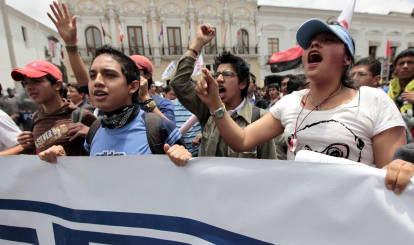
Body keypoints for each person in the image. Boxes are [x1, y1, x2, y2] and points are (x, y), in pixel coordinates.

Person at [168, 19, 413, 195]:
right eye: (311, 43)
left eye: (327, 41)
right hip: (299, 218)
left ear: (347, 58)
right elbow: (241, 140)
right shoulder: (290, 103)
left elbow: (389, 179)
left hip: (353, 220)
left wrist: (401, 169)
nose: (314, 46)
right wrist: (214, 104)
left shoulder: (374, 101)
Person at [38, 45, 187, 162]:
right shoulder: (94, 130)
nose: (97, 82)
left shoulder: (159, 127)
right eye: (92, 76)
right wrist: (62, 162)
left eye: (110, 75)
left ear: (133, 86)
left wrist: (183, 158)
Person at [47, 2, 175, 123]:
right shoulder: (115, 100)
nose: (98, 81)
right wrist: (70, 44)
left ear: (147, 76)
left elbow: (171, 132)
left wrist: (147, 101)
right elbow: (86, 84)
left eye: (134, 71)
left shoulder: (162, 103)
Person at [170, 24, 278, 159]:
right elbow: (178, 82)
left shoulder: (260, 118)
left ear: (243, 84)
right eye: (217, 74)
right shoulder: (207, 109)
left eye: (227, 74)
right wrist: (197, 43)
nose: (219, 79)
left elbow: (270, 163)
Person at [11, 60, 96, 156]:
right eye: (25, 83)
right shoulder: (36, 117)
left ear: (57, 85)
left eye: (36, 81)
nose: (29, 87)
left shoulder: (81, 116)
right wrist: (28, 146)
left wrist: (91, 134)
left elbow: (104, 149)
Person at [387, 48, 414, 113]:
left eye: (410, 63)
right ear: (395, 69)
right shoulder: (387, 90)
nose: (405, 66)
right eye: (401, 63)